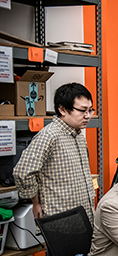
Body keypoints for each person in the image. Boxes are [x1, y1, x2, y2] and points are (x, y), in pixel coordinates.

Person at [13, 83, 96, 224]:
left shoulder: (78, 135)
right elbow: (22, 171)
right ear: (62, 110)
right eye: (82, 110)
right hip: (61, 218)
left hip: (83, 215)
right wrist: (36, 202)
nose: (88, 116)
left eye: (90, 110)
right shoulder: (49, 136)